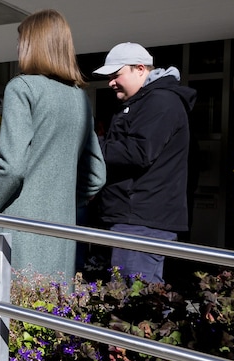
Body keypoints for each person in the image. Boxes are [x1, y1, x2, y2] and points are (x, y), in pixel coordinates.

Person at [0, 9, 106, 296]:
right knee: (45, 326)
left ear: (33, 45)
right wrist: (58, 201)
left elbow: (12, 169)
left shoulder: (22, 88)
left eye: (22, 41)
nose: (18, 48)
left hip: (15, 234)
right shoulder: (78, 98)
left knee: (4, 326)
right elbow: (96, 175)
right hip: (59, 238)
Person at [92, 42, 196, 283]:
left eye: (116, 75)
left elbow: (138, 151)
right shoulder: (147, 102)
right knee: (134, 300)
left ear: (140, 69)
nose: (110, 82)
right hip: (136, 217)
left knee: (136, 302)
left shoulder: (160, 102)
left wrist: (93, 146)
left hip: (141, 220)